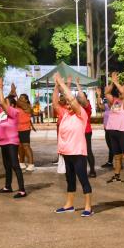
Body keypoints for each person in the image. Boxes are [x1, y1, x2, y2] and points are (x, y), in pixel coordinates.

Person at [52, 73, 93, 216]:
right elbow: (55, 103)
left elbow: (71, 98)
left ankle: (88, 207)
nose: (68, 105)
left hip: (78, 153)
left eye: (71, 103)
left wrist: (62, 83)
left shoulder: (81, 115)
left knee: (83, 179)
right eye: (67, 104)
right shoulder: (64, 115)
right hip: (66, 153)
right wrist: (56, 86)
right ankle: (69, 205)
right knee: (69, 180)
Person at [0, 77, 26, 198]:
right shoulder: (1, 113)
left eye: (7, 103)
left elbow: (3, 103)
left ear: (12, 105)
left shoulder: (14, 112)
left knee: (15, 165)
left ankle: (22, 190)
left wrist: (1, 88)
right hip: (3, 143)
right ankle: (8, 186)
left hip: (11, 142)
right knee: (7, 166)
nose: (3, 104)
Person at [72, 77, 96, 178]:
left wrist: (78, 85)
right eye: (78, 97)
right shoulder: (75, 107)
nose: (79, 98)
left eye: (81, 97)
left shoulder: (87, 106)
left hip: (86, 132)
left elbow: (82, 98)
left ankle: (92, 170)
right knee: (78, 152)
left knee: (87, 151)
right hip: (77, 132)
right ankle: (81, 170)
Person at [15, 92, 35, 173]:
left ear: (26, 100)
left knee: (26, 146)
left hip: (25, 129)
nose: (20, 99)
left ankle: (31, 164)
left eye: (22, 98)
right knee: (20, 147)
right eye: (20, 97)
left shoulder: (27, 106)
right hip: (17, 129)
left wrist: (15, 93)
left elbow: (18, 102)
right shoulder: (18, 105)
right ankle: (21, 162)